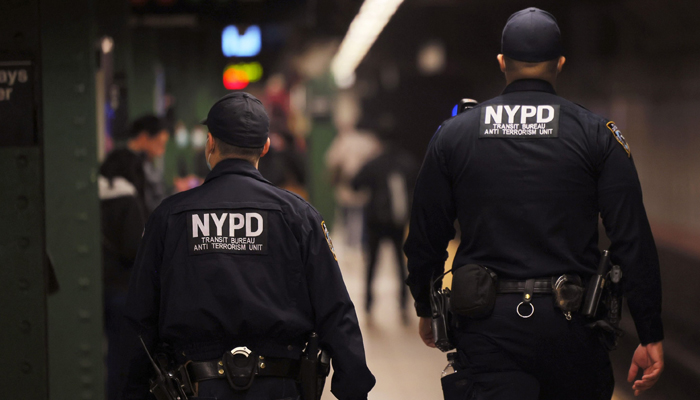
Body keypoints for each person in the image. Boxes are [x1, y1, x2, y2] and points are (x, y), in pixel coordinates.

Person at [404, 8, 663, 400]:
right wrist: (650, 332)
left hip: (487, 333)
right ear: (559, 63)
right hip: (573, 331)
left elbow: (426, 234)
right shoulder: (597, 135)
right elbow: (632, 239)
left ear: (502, 62)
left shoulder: (453, 136)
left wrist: (425, 305)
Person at [120, 92, 375, 400]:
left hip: (193, 387)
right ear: (265, 147)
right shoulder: (299, 216)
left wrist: (132, 389)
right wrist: (354, 387)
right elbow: (335, 308)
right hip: (279, 386)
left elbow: (139, 316)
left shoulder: (169, 217)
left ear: (210, 143)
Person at [99, 114, 169, 400]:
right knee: (126, 359)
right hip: (124, 286)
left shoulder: (100, 190)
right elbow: (133, 246)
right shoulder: (128, 198)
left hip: (103, 281)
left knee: (112, 356)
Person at [352, 144, 417, 322]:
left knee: (372, 264)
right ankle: (404, 306)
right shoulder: (407, 162)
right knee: (400, 264)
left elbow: (355, 183)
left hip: (375, 221)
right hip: (398, 221)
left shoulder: (374, 163)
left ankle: (368, 305)